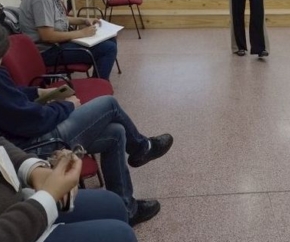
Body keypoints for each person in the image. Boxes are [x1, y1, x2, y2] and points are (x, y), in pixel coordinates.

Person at [0, 25, 174, 226]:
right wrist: (67, 106)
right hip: (34, 143)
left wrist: (37, 93)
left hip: (31, 133)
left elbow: (12, 96)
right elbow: (34, 121)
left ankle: (128, 210)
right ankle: (142, 147)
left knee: (116, 133)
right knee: (109, 104)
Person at [0, 136, 138, 242]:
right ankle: (141, 146)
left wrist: (33, 170)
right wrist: (46, 198)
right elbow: (37, 124)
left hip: (19, 203)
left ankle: (140, 146)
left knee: (113, 205)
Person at [19, 0, 117, 80]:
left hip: (55, 46)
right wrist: (81, 33)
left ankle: (98, 82)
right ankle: (99, 85)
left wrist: (83, 20)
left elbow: (58, 18)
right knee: (108, 48)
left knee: (110, 39)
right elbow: (47, 36)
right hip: (45, 53)